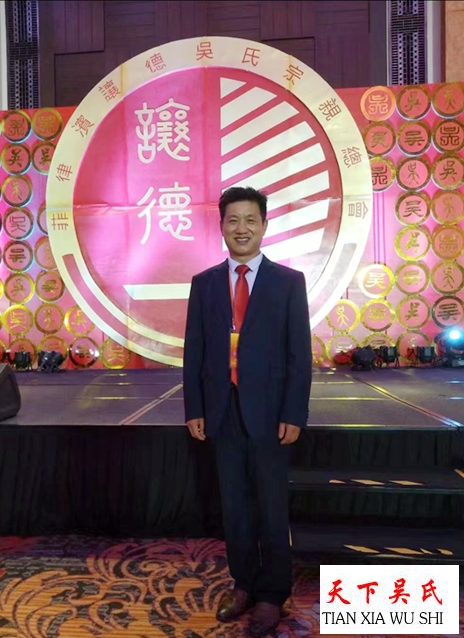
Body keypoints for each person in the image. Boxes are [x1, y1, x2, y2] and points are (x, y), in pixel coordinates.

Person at [183, 186, 312, 637]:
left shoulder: (288, 282)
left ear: (264, 225)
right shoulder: (204, 284)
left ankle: (272, 593)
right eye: (233, 220)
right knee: (234, 506)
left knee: (271, 507)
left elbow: (299, 355)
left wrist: (294, 412)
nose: (242, 228)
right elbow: (195, 351)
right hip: (222, 411)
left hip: (272, 414)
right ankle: (243, 585)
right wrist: (194, 407)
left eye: (250, 220)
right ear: (221, 226)